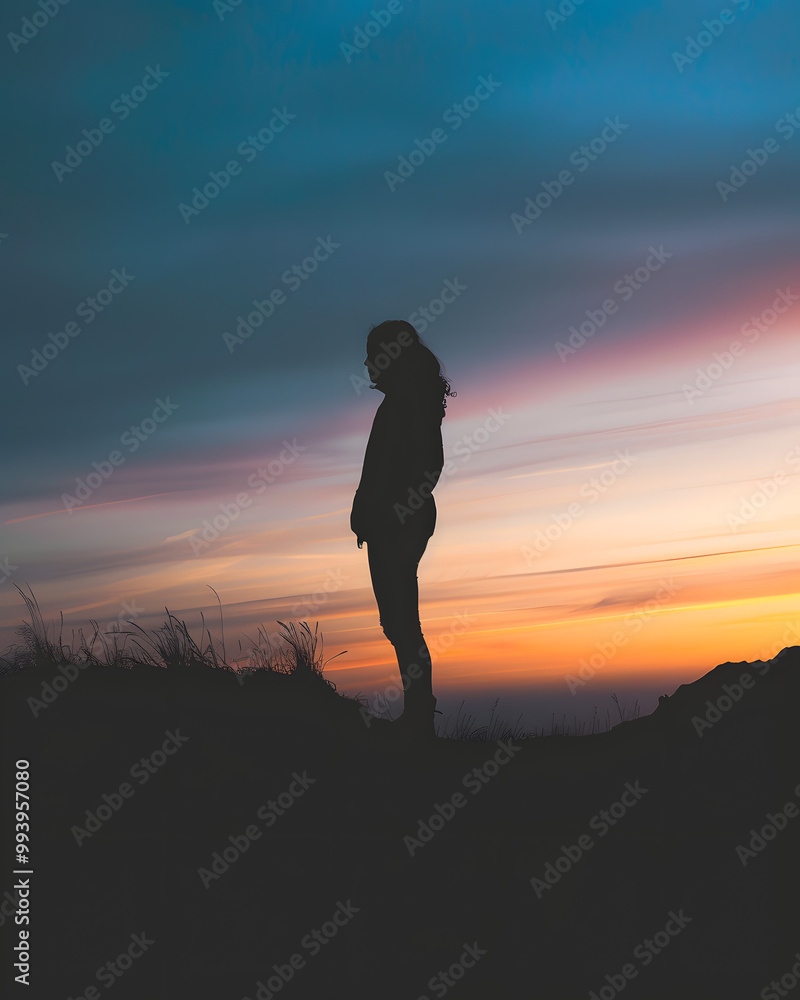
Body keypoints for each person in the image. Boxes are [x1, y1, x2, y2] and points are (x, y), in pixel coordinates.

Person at [350, 320, 455, 738]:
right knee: (398, 622)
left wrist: (393, 514)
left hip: (401, 525)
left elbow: (430, 466)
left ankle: (419, 719)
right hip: (392, 524)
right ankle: (418, 716)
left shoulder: (409, 404)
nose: (367, 363)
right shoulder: (401, 402)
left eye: (373, 353)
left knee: (402, 622)